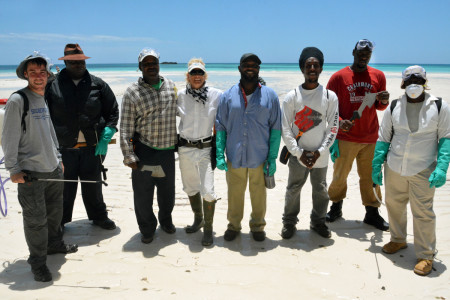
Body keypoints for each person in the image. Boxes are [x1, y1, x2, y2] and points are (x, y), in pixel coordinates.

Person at [2, 52, 78, 282]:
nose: (38, 76)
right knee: (36, 221)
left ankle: (54, 245)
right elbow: (9, 138)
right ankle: (37, 262)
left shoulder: (42, 98)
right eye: (33, 72)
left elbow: (50, 132)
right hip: (31, 174)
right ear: (25, 75)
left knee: (55, 214)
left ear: (47, 75)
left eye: (42, 72)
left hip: (53, 169)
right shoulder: (18, 100)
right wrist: (13, 169)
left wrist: (58, 158)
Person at [372, 66, 450, 276]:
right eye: (409, 80)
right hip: (394, 166)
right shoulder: (394, 106)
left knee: (423, 212)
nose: (413, 84)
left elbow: (445, 139)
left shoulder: (440, 106)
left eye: (418, 79)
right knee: (394, 205)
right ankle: (398, 240)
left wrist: (442, 168)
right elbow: (384, 138)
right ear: (403, 83)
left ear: (425, 82)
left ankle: (425, 254)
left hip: (423, 169)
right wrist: (376, 165)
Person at [45, 44, 119, 231]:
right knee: (64, 188)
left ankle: (99, 217)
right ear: (65, 63)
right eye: (73, 62)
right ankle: (59, 222)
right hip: (63, 148)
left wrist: (109, 132)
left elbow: (112, 111)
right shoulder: (51, 86)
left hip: (93, 147)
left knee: (93, 184)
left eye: (81, 62)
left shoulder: (98, 85)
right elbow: (43, 115)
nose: (78, 65)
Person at [215, 53, 282, 242]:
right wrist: (220, 153)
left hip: (259, 156)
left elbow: (276, 128)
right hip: (234, 155)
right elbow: (220, 125)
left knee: (259, 194)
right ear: (239, 68)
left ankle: (258, 226)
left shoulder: (270, 96)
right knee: (234, 193)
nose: (250, 68)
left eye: (254, 65)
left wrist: (272, 158)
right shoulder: (227, 95)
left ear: (259, 69)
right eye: (246, 65)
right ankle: (234, 225)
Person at [326, 39, 390, 231]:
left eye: (367, 54)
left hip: (370, 137)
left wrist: (385, 101)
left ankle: (372, 213)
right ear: (353, 52)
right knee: (339, 176)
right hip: (345, 138)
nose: (364, 57)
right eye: (361, 53)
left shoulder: (378, 75)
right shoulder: (339, 77)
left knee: (371, 176)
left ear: (370, 55)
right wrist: (339, 123)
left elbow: (380, 106)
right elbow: (328, 106)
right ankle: (336, 207)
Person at [120, 48, 178, 244]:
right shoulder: (131, 92)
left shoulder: (171, 86)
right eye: (146, 64)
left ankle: (166, 221)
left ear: (159, 64)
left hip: (168, 151)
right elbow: (126, 128)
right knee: (143, 195)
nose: (151, 66)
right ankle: (147, 229)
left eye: (154, 62)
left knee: (167, 192)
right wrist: (128, 155)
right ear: (140, 67)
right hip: (144, 150)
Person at [280, 47, 339, 239]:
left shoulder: (330, 97)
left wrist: (320, 151)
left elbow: (333, 126)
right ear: (302, 69)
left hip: (320, 155)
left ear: (321, 69)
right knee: (293, 189)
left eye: (316, 65)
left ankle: (318, 221)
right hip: (298, 155)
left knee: (321, 190)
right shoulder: (292, 97)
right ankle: (289, 223)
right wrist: (299, 152)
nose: (312, 69)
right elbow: (285, 128)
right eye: (308, 65)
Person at [177, 58, 222, 246]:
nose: (197, 76)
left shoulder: (216, 95)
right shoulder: (179, 95)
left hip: (205, 148)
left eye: (200, 73)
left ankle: (209, 228)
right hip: (185, 148)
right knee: (190, 187)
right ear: (187, 76)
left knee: (208, 191)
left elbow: (234, 101)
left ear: (205, 75)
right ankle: (198, 219)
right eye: (193, 73)